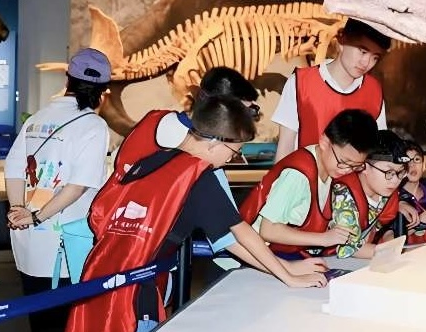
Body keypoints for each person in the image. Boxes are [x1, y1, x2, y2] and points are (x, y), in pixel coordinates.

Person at [66, 94, 327, 332]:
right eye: (234, 152)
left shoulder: (154, 159)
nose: (231, 160)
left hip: (96, 277)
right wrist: (289, 278)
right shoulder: (198, 176)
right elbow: (242, 234)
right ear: (214, 143)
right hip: (133, 295)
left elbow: (230, 240)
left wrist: (287, 268)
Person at [5, 47, 112, 332]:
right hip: (64, 247)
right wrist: (36, 217)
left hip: (28, 242)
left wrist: (18, 210)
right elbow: (77, 187)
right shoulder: (94, 126)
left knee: (39, 319)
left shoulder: (37, 119)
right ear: (103, 90)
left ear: (68, 79)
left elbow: (14, 168)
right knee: (66, 322)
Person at [240, 109, 378, 258]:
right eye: (344, 162)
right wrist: (324, 239)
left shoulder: (330, 168)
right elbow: (268, 230)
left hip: (285, 253)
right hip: (252, 255)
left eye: (355, 166)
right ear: (324, 142)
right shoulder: (298, 175)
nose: (346, 170)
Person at [272, 18, 391, 162]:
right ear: (342, 41)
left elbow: (377, 151)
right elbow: (285, 149)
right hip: (308, 174)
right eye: (363, 52)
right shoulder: (300, 82)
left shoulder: (374, 90)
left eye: (375, 58)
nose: (366, 63)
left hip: (356, 176)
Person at [330, 130, 409, 259]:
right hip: (330, 260)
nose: (395, 180)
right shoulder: (344, 195)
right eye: (388, 172)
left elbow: (380, 229)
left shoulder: (386, 193)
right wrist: (399, 253)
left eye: (401, 172)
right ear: (364, 166)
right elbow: (348, 249)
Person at [398, 140, 426, 245]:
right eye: (407, 161)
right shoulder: (392, 199)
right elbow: (386, 240)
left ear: (424, 166)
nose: (412, 165)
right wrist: (419, 224)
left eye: (417, 159)